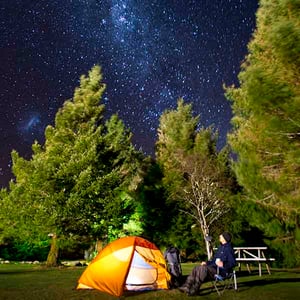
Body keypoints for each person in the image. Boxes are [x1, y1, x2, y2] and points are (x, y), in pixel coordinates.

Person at [178, 232, 236, 296]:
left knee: (203, 269)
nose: (219, 236)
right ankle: (187, 285)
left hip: (221, 271)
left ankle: (195, 289)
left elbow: (233, 262)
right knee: (197, 267)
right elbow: (214, 261)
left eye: (221, 236)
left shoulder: (229, 249)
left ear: (225, 238)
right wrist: (206, 262)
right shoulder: (220, 248)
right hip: (214, 268)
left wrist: (223, 264)